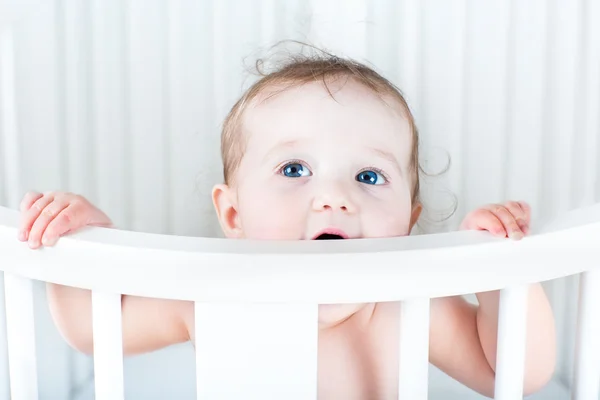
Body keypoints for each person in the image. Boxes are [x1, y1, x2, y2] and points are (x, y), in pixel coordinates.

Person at [16, 50, 555, 399]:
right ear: (233, 213)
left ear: (410, 220)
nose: (335, 198)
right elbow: (96, 331)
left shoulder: (406, 304)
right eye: (294, 169)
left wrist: (500, 273)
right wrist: (84, 239)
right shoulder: (208, 293)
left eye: (369, 175)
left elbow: (513, 374)